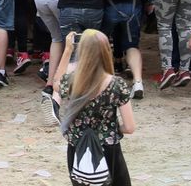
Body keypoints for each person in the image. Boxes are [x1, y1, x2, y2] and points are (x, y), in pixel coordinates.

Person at [56, 29, 136, 186]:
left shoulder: (72, 82)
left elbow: (56, 82)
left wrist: (67, 51)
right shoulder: (116, 84)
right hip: (108, 148)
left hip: (78, 148)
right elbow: (130, 127)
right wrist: (110, 128)